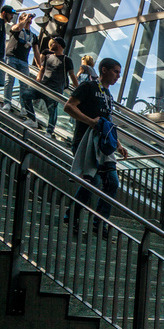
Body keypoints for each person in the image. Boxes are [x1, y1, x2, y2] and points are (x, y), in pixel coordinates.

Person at [63, 58, 128, 237]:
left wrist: (119, 144)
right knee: (94, 182)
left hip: (103, 146)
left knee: (112, 182)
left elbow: (109, 121)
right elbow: (68, 106)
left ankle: (99, 224)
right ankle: (72, 216)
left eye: (119, 73)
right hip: (85, 143)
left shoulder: (108, 95)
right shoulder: (88, 86)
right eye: (115, 72)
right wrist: (90, 122)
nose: (118, 76)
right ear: (104, 70)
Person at [24, 36, 78, 135]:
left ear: (59, 45)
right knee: (26, 95)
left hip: (55, 90)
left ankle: (49, 131)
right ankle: (32, 119)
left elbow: (72, 75)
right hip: (43, 86)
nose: (51, 45)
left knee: (52, 111)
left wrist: (78, 89)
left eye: (53, 43)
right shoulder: (48, 57)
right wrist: (38, 80)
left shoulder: (66, 60)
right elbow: (42, 70)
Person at [3, 11, 41, 112]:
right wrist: (24, 19)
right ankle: (7, 102)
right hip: (11, 57)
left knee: (24, 84)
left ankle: (24, 107)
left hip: (23, 61)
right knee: (9, 80)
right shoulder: (16, 28)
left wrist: (39, 66)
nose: (29, 19)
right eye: (26, 17)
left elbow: (36, 52)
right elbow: (17, 28)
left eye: (29, 18)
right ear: (21, 19)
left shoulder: (33, 36)